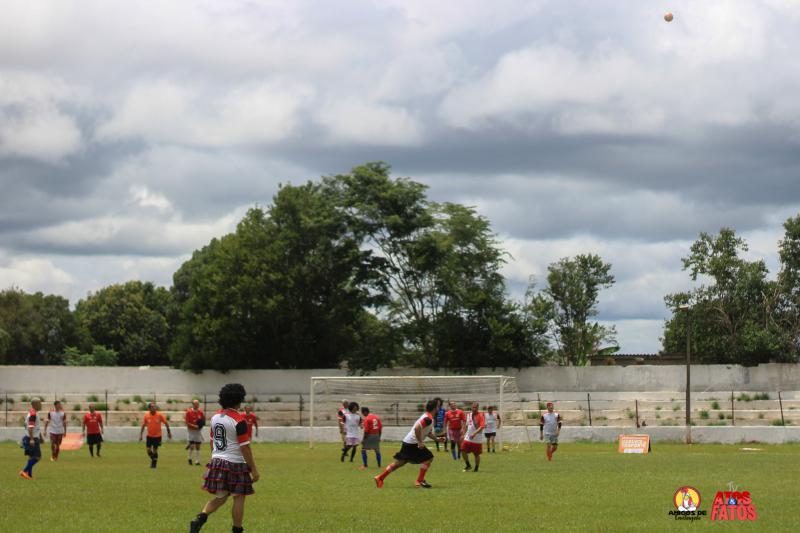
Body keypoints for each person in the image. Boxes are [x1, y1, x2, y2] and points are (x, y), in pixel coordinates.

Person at [189, 383, 260, 533]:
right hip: (235, 463)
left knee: (221, 497)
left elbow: (211, 440)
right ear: (238, 400)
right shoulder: (239, 420)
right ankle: (237, 529)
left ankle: (200, 518)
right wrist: (254, 469)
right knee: (239, 497)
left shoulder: (215, 417)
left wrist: (216, 458)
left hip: (217, 461)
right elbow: (245, 447)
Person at [374, 399, 444, 489]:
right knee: (429, 458)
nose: (439, 409)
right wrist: (420, 442)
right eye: (438, 407)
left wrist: (437, 439)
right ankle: (420, 480)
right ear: (435, 408)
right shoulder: (428, 418)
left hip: (408, 442)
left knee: (400, 462)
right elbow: (417, 428)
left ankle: (380, 477)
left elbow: (428, 432)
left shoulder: (428, 417)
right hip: (413, 443)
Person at [139, 402, 172, 468]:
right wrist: (141, 435)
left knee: (155, 450)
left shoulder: (159, 415)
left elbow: (166, 423)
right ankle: (154, 459)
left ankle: (154, 464)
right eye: (153, 407)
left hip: (157, 436)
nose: (154, 408)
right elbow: (143, 425)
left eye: (155, 407)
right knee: (148, 450)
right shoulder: (146, 416)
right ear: (149, 408)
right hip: (149, 436)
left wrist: (169, 432)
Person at [19, 397, 43, 480]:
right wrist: (32, 439)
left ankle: (29, 475)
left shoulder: (31, 413)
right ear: (34, 404)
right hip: (31, 438)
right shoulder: (33, 414)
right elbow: (30, 427)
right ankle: (24, 471)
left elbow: (34, 427)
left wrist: (40, 436)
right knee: (37, 457)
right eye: (39, 403)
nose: (41, 405)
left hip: (29, 437)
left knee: (31, 457)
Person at [461, 402, 485, 472]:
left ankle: (476, 468)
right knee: (462, 450)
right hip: (468, 437)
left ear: (478, 408)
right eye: (473, 407)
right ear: (471, 407)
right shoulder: (468, 415)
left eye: (475, 407)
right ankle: (468, 465)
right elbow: (467, 425)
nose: (474, 409)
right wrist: (463, 434)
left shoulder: (480, 416)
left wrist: (474, 433)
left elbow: (482, 426)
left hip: (477, 439)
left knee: (476, 454)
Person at [185, 399, 206, 466]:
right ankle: (189, 458)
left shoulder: (201, 412)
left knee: (198, 446)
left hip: (198, 431)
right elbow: (187, 423)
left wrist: (200, 426)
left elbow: (203, 421)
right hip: (191, 431)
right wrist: (194, 426)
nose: (197, 405)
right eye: (196, 404)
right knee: (192, 446)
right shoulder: (188, 412)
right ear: (193, 404)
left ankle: (197, 461)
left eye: (198, 404)